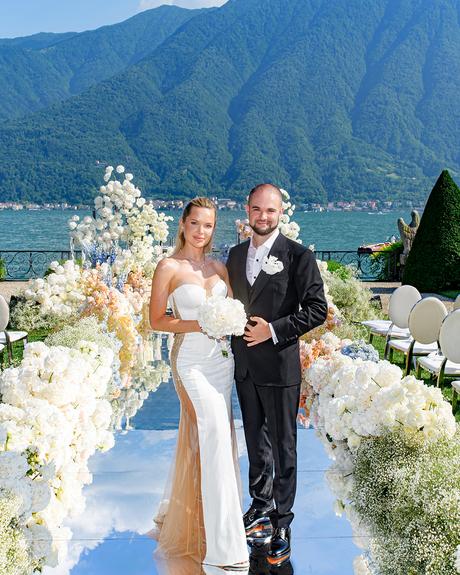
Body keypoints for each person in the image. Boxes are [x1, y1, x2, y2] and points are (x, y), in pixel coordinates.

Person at [226, 184, 328, 566]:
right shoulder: (235, 255)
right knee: (255, 441)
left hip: (281, 366)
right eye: (256, 210)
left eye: (270, 211)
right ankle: (259, 504)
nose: (263, 217)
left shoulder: (299, 256)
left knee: (284, 447)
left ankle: (283, 522)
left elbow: (317, 309)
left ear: (280, 212)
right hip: (246, 368)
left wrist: (273, 329)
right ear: (247, 211)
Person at [149, 197, 249, 571]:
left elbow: (236, 311)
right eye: (195, 224)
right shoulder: (168, 267)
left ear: (213, 228)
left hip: (220, 364)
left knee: (216, 440)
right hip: (190, 362)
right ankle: (224, 548)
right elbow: (157, 320)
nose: (201, 231)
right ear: (183, 224)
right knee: (215, 438)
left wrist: (229, 321)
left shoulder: (219, 267)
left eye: (207, 225)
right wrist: (202, 323)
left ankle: (202, 521)